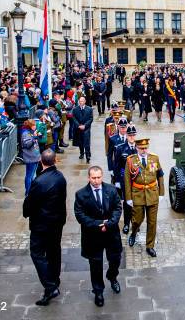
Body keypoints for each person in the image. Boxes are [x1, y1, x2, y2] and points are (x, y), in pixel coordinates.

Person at [22, 149, 67, 306]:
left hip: (42, 224)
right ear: (55, 161)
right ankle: (55, 277)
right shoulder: (60, 177)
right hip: (57, 222)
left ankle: (50, 285)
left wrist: (26, 211)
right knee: (54, 251)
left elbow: (29, 204)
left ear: (41, 161)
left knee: (37, 254)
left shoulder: (39, 182)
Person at [74, 166, 123, 307]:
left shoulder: (111, 190)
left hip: (111, 233)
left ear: (102, 176)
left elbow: (117, 209)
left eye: (99, 177)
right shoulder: (81, 194)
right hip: (92, 236)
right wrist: (99, 224)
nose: (96, 181)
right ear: (89, 178)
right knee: (95, 265)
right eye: (93, 178)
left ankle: (112, 276)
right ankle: (98, 291)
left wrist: (109, 224)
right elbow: (80, 216)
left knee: (115, 259)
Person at [124, 138, 165, 257]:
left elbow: (160, 175)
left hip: (152, 194)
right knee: (137, 220)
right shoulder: (131, 160)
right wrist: (128, 198)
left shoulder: (154, 158)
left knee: (152, 222)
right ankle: (133, 233)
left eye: (146, 148)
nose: (144, 150)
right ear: (136, 148)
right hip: (138, 194)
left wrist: (161, 193)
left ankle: (150, 246)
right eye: (141, 148)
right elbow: (127, 179)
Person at [113, 124, 138, 234]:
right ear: (126, 136)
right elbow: (116, 166)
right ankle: (127, 223)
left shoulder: (140, 147)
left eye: (133, 135)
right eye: (129, 135)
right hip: (125, 179)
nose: (131, 137)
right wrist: (117, 180)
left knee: (137, 202)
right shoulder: (120, 148)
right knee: (127, 202)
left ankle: (135, 222)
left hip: (137, 179)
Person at [21, 119, 41, 196]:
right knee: (29, 175)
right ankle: (28, 192)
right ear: (29, 126)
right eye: (33, 125)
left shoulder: (31, 132)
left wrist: (38, 136)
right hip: (30, 157)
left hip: (34, 156)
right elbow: (27, 145)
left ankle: (32, 190)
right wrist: (34, 137)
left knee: (33, 175)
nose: (35, 126)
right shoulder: (26, 133)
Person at [72, 96, 93, 163]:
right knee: (80, 142)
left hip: (86, 128)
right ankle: (81, 153)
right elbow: (74, 118)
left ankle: (88, 155)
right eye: (80, 101)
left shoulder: (89, 109)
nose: (81, 103)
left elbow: (91, 118)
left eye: (82, 101)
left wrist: (85, 125)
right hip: (78, 128)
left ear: (85, 101)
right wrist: (78, 125)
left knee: (86, 142)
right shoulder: (75, 109)